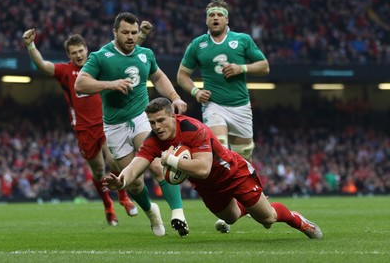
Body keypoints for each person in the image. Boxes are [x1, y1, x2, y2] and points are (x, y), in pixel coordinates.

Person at [103, 98, 323, 239]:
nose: (156, 127)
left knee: (267, 219)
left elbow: (203, 168)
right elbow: (135, 166)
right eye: (151, 123)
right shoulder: (153, 140)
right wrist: (121, 181)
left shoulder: (194, 128)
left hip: (232, 173)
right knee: (231, 218)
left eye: (160, 120)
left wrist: (170, 160)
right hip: (207, 187)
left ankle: (299, 221)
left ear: (173, 116)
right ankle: (247, 206)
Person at [21, 21, 153, 226]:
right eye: (74, 52)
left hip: (106, 123)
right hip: (83, 129)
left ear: (86, 49)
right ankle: (108, 206)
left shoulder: (98, 65)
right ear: (69, 55)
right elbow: (43, 66)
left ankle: (124, 198)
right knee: (99, 171)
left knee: (114, 162)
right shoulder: (66, 72)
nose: (79, 55)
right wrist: (31, 46)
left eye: (81, 50)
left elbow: (128, 55)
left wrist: (142, 34)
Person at [74, 12, 189, 237]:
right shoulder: (100, 56)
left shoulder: (145, 54)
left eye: (134, 33)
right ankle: (151, 212)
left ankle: (178, 214)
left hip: (141, 117)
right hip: (114, 125)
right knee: (133, 183)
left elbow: (158, 77)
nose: (130, 37)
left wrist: (175, 97)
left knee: (157, 164)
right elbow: (80, 84)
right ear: (115, 32)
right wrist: (110, 84)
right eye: (125, 32)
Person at [177, 0, 269, 162]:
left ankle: (239, 187)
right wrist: (195, 91)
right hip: (214, 105)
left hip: (241, 106)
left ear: (227, 20)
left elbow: (264, 67)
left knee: (244, 157)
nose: (215, 18)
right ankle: (219, 186)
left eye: (220, 14)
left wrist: (241, 68)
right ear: (206, 20)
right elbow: (182, 75)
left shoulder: (243, 40)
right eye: (211, 15)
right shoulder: (197, 45)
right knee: (220, 149)